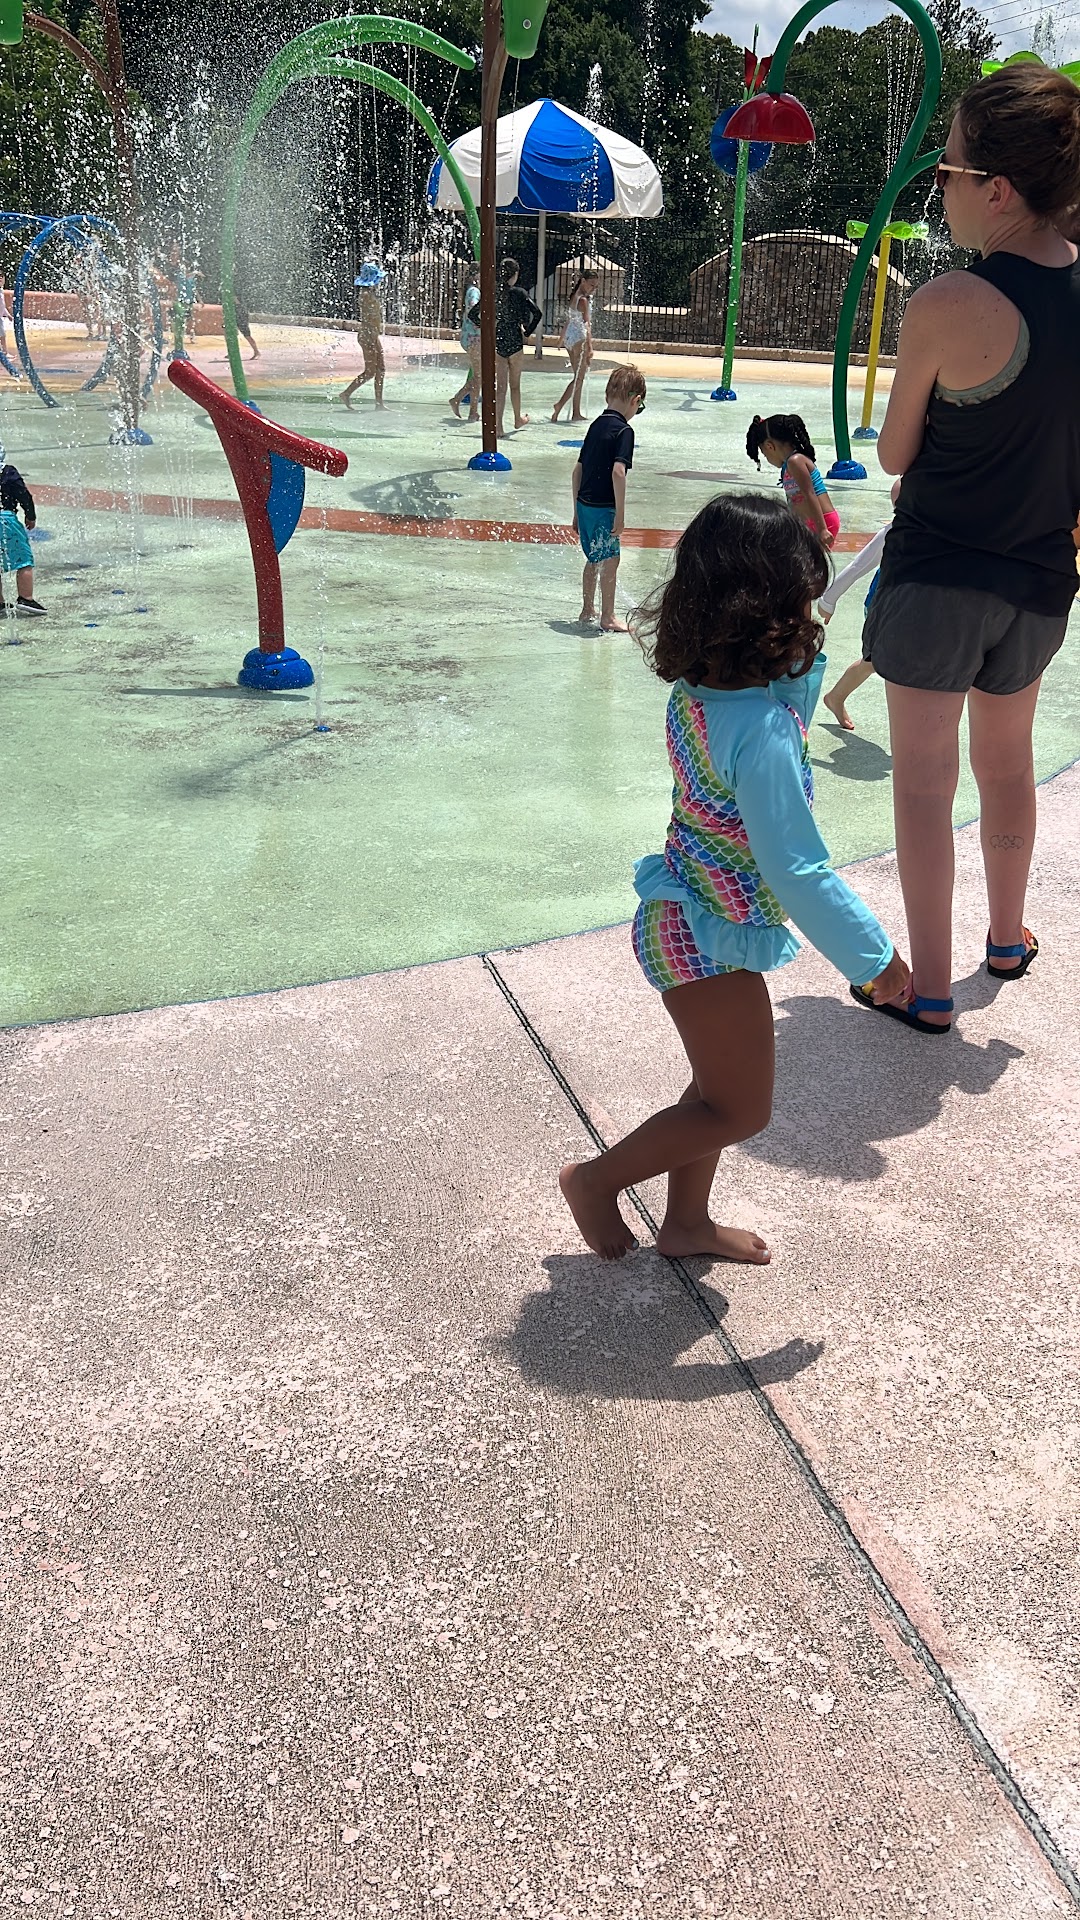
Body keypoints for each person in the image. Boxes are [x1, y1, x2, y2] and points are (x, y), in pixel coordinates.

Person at [558, 493, 909, 1262]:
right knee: (741, 1111)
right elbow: (796, 869)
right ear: (773, 616)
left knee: (716, 1091)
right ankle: (594, 1180)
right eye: (804, 603)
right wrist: (873, 958)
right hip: (706, 941)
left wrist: (799, 671)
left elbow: (783, 710)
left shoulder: (703, 695)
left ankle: (685, 1223)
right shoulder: (764, 733)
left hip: (685, 913)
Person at [855, 60, 1080, 1035]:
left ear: (996, 189)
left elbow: (896, 453)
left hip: (937, 576)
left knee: (923, 782)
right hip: (1039, 586)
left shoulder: (949, 302)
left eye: (945, 171)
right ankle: (1007, 939)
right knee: (1008, 765)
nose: (938, 188)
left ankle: (933, 988)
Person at [820, 479, 903, 729]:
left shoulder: (933, 530)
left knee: (882, 662)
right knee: (878, 662)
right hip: (883, 607)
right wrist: (828, 600)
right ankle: (836, 697)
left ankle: (836, 697)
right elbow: (858, 565)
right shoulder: (891, 533)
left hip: (910, 608)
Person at [570, 364, 646, 633]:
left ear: (607, 396)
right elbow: (618, 472)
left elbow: (577, 471)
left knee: (594, 558)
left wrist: (576, 512)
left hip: (584, 505)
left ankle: (587, 609)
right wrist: (621, 515)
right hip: (604, 508)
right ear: (636, 400)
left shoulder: (595, 425)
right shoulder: (624, 431)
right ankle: (608, 616)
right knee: (611, 560)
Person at [746, 413, 840, 549]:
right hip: (809, 523)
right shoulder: (788, 466)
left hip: (820, 522)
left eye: (765, 455)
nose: (768, 459)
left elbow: (809, 493)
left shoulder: (795, 461)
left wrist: (822, 530)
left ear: (769, 446)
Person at [474, 256, 542, 435]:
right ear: (516, 274)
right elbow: (537, 313)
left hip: (499, 341)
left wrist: (486, 327)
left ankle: (498, 427)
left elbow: (473, 314)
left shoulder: (493, 293)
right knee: (515, 385)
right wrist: (527, 332)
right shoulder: (520, 293)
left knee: (501, 388)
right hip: (515, 342)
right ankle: (518, 419)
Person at [551, 270, 598, 423]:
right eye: (591, 285)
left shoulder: (574, 296)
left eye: (595, 286)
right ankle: (559, 405)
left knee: (578, 377)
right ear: (583, 281)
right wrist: (590, 347)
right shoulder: (583, 300)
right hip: (579, 338)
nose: (593, 289)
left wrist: (562, 338)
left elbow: (569, 319)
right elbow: (587, 324)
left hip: (570, 338)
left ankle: (576, 413)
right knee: (579, 378)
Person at [340, 258, 386, 409]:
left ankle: (379, 403)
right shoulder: (366, 294)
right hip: (367, 335)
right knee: (370, 371)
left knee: (381, 369)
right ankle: (346, 393)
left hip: (372, 334)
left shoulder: (369, 293)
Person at [0, 460, 45, 616]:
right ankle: (26, 598)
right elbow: (23, 495)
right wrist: (30, 515)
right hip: (5, 520)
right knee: (24, 560)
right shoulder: (7, 472)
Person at [448, 263, 480, 421]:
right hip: (474, 337)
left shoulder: (471, 290)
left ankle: (473, 412)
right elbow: (474, 309)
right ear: (476, 275)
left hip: (471, 336)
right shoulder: (474, 291)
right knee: (479, 376)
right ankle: (457, 398)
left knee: (478, 375)